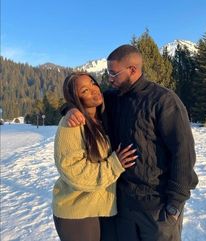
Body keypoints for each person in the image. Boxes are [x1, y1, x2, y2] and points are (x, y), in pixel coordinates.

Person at [62, 45, 198, 241]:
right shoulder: (112, 98)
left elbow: (183, 152)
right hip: (123, 203)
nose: (109, 79)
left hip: (157, 205)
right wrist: (70, 108)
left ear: (132, 70)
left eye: (113, 73)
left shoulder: (163, 100)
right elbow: (83, 99)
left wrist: (174, 205)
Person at [52, 72, 138, 241]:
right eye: (84, 90)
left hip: (101, 208)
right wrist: (115, 165)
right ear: (75, 98)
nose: (94, 90)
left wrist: (68, 107)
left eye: (93, 83)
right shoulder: (72, 125)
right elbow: (75, 172)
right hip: (78, 213)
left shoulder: (101, 117)